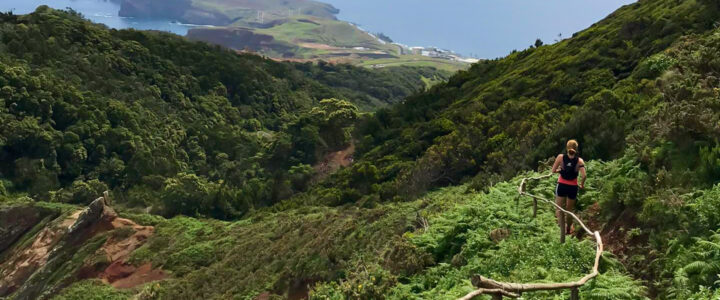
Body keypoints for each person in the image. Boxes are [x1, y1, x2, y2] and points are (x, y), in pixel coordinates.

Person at [551, 139, 586, 235]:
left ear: (567, 147)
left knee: (558, 208)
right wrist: (582, 184)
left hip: (561, 185)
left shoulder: (560, 157)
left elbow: (553, 171)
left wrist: (560, 171)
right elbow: (584, 176)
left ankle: (562, 229)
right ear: (576, 148)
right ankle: (568, 229)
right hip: (573, 187)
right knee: (569, 210)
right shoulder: (579, 161)